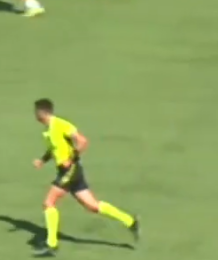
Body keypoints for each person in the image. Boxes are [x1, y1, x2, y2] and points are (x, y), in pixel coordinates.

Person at [32, 98, 140, 256]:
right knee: (93, 206)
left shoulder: (60, 124)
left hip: (69, 171)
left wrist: (72, 158)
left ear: (42, 112)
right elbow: (53, 149)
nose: (34, 115)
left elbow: (82, 141)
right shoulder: (48, 130)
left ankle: (52, 244)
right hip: (70, 171)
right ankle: (130, 221)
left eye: (36, 112)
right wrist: (42, 160)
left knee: (49, 203)